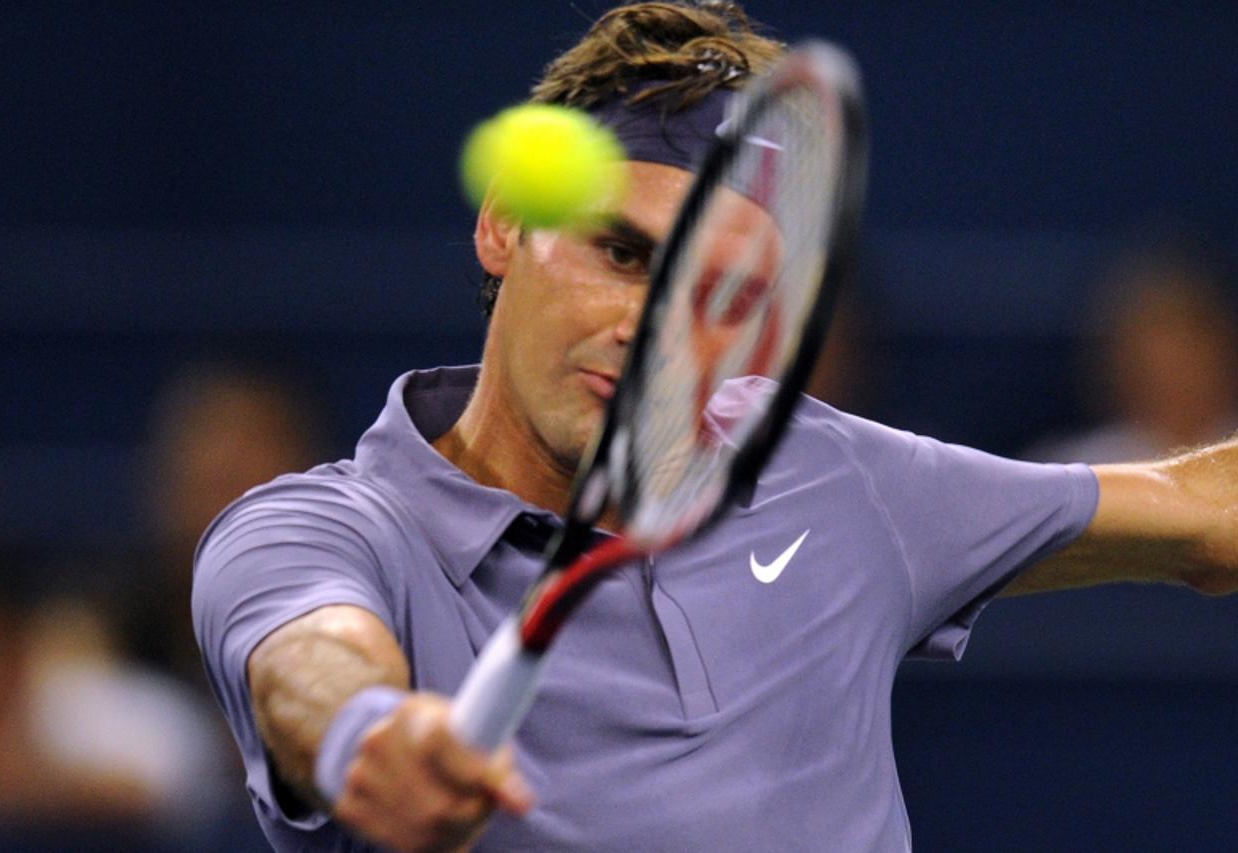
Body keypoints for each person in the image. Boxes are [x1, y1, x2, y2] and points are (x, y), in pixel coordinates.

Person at [191, 4, 1238, 851]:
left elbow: (1205, 512)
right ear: (504, 222)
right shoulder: (316, 529)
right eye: (622, 254)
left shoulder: (832, 473)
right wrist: (372, 733)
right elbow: (310, 654)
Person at [1027, 242, 1238, 464]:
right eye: (1155, 369)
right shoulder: (1069, 469)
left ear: (1223, 352)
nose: (1175, 382)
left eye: (1189, 358)